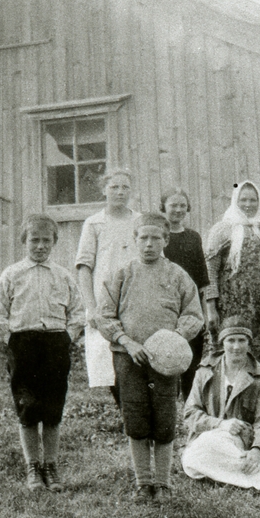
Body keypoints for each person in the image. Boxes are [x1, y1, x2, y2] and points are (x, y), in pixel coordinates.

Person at [99, 213, 203, 501]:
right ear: (134, 240)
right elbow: (104, 315)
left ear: (166, 240)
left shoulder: (178, 276)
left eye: (155, 238)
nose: (148, 244)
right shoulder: (121, 274)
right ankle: (143, 483)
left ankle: (163, 483)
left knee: (164, 417)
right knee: (135, 416)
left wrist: (173, 339)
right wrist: (128, 342)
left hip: (165, 362)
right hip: (129, 357)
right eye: (143, 237)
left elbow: (194, 315)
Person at [0, 213, 84, 493]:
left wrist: (68, 338)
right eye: (34, 240)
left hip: (55, 343)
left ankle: (50, 466)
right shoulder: (12, 274)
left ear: (54, 242)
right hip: (23, 344)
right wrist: (13, 341)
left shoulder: (63, 275)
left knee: (53, 407)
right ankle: (32, 467)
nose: (40, 246)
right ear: (24, 242)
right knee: (28, 407)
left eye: (46, 241)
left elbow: (78, 312)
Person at [181, 316, 260, 500]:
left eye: (242, 340)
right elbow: (190, 413)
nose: (236, 346)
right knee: (192, 461)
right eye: (230, 340)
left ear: (249, 343)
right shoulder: (205, 371)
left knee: (196, 458)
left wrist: (257, 451)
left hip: (244, 440)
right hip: (210, 435)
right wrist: (220, 424)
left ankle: (235, 469)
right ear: (222, 343)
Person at [204, 180, 260, 379]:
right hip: (232, 304)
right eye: (243, 199)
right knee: (235, 348)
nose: (248, 204)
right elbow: (210, 271)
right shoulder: (222, 230)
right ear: (235, 201)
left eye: (253, 200)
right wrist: (211, 307)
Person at [75, 168, 139, 402]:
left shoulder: (139, 221)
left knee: (136, 359)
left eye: (125, 187)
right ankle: (126, 412)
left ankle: (135, 415)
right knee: (109, 362)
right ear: (104, 190)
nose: (120, 192)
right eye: (114, 187)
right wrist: (91, 307)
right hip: (105, 303)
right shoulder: (94, 224)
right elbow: (84, 267)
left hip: (135, 300)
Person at [159, 187, 210, 398]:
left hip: (191, 305)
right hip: (166, 304)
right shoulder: (159, 237)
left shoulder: (193, 237)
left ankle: (190, 405)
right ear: (163, 207)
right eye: (173, 205)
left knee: (191, 356)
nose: (178, 210)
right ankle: (169, 400)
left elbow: (202, 279)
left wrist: (206, 313)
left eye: (182, 205)